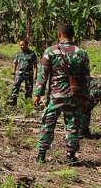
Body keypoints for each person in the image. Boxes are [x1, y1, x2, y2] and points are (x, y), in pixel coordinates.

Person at [33, 24, 90, 164]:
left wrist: (38, 94)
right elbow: (86, 78)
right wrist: (85, 98)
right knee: (72, 124)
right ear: (73, 35)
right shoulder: (81, 53)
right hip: (73, 96)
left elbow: (43, 75)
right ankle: (71, 155)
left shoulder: (51, 51)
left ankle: (41, 154)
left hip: (55, 96)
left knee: (48, 123)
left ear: (59, 34)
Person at [8, 39, 38, 105]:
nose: (21, 46)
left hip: (29, 74)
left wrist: (35, 74)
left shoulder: (32, 54)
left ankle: (28, 104)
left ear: (26, 45)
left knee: (29, 89)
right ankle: (13, 101)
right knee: (15, 86)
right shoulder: (18, 54)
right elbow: (14, 63)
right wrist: (13, 73)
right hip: (20, 73)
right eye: (20, 45)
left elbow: (35, 65)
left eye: (22, 45)